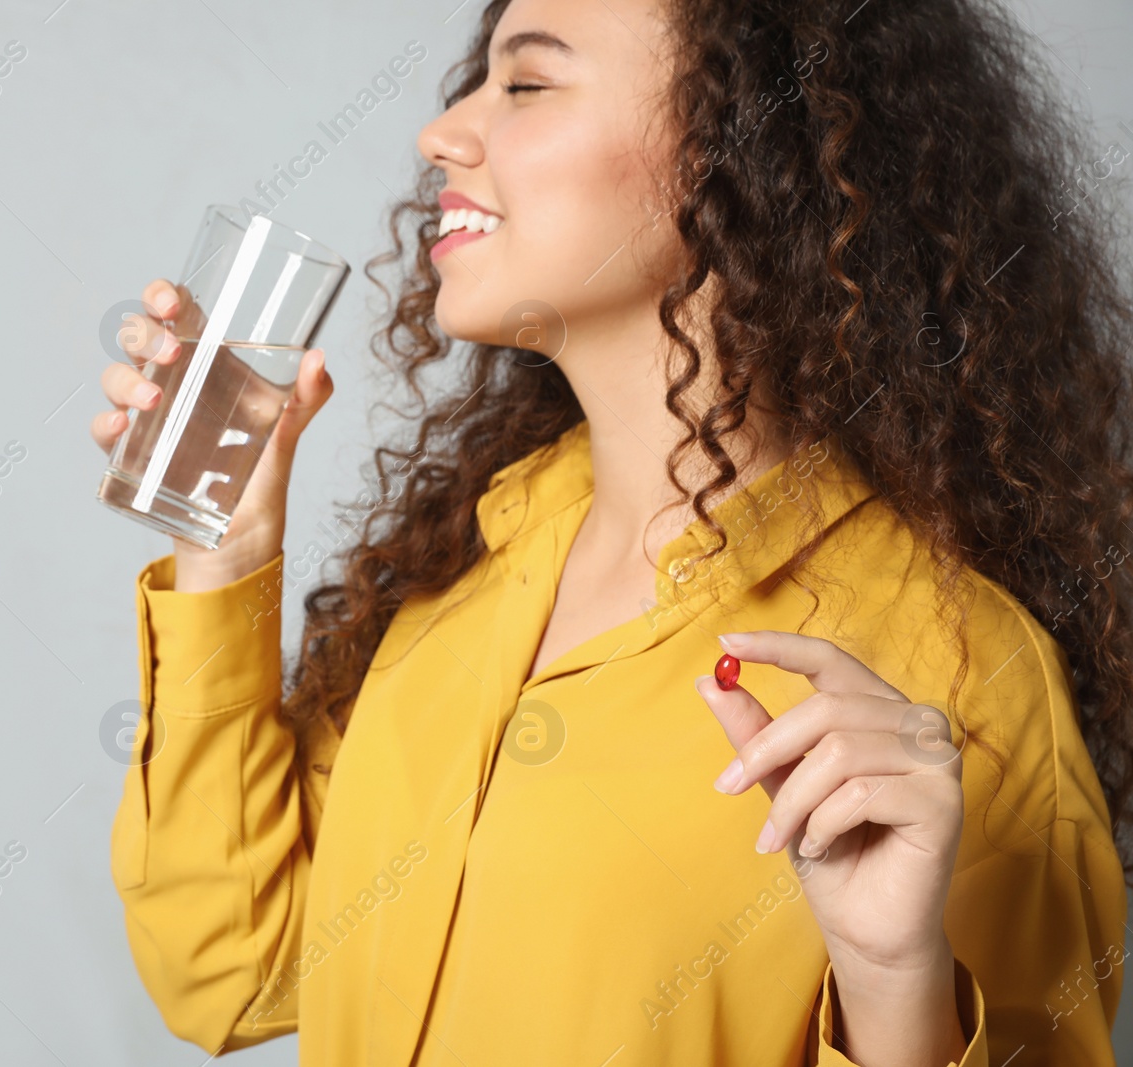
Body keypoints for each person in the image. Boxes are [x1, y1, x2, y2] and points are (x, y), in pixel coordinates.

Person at [90, 0, 1133, 1063]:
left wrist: (892, 985)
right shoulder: (471, 567)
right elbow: (226, 964)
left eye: (527, 85)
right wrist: (228, 544)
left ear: (738, 149)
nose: (442, 130)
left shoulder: (962, 679)